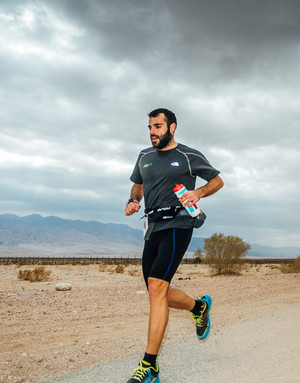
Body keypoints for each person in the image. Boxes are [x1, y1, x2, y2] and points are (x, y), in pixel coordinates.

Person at [124, 108, 224, 383]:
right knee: (158, 293)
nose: (152, 132)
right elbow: (138, 185)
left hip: (179, 225)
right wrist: (133, 201)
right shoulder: (144, 157)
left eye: (157, 126)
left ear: (173, 127)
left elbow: (217, 180)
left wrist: (199, 192)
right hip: (153, 226)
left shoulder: (188, 156)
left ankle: (150, 366)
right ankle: (198, 308)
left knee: (157, 287)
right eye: (149, 127)